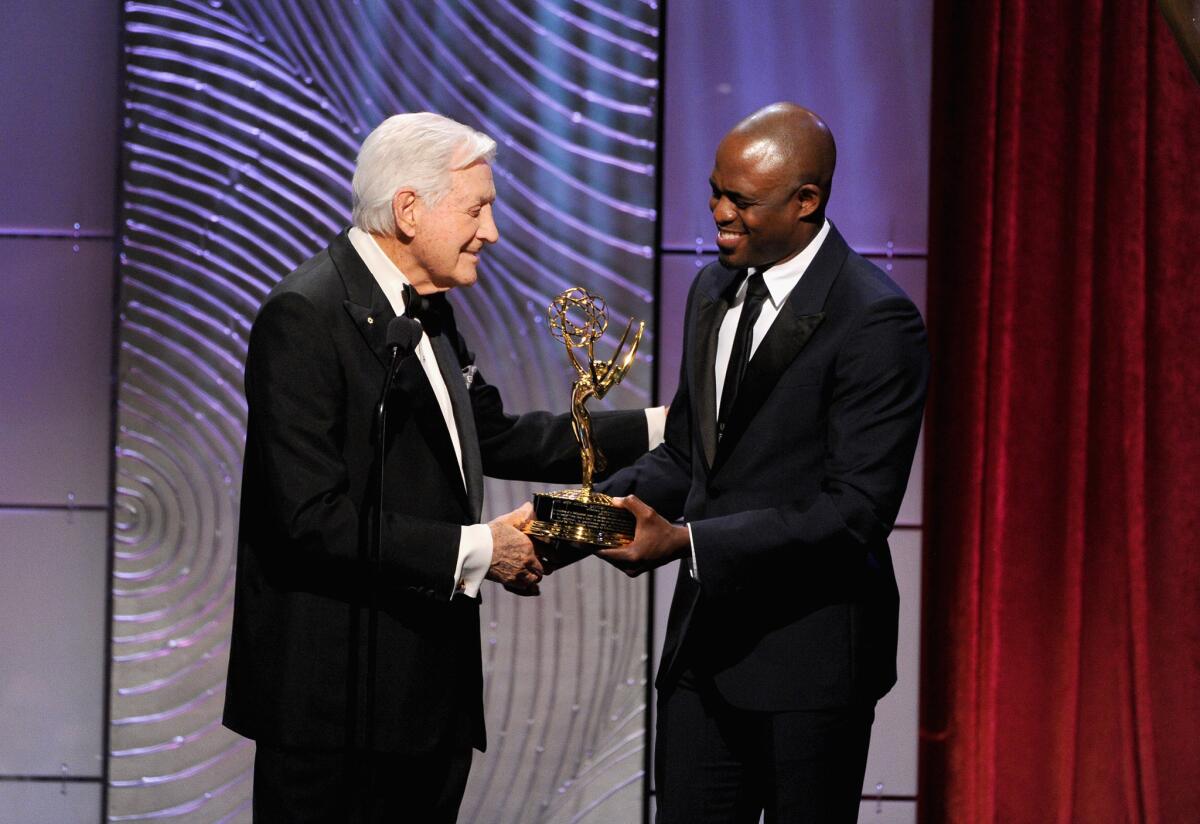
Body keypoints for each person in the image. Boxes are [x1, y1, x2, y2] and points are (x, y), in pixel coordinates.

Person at [223, 113, 661, 823]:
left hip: (425, 706)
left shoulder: (427, 311)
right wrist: (483, 548)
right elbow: (308, 520)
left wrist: (663, 429)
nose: (490, 231)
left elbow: (494, 436)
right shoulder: (304, 317)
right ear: (408, 209)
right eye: (478, 208)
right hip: (333, 718)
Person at [594, 103, 930, 822]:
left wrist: (687, 543)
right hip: (702, 655)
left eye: (740, 201)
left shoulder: (875, 319)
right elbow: (689, 454)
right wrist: (576, 524)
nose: (718, 212)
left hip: (809, 666)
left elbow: (854, 513)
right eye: (715, 191)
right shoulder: (711, 288)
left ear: (806, 201)